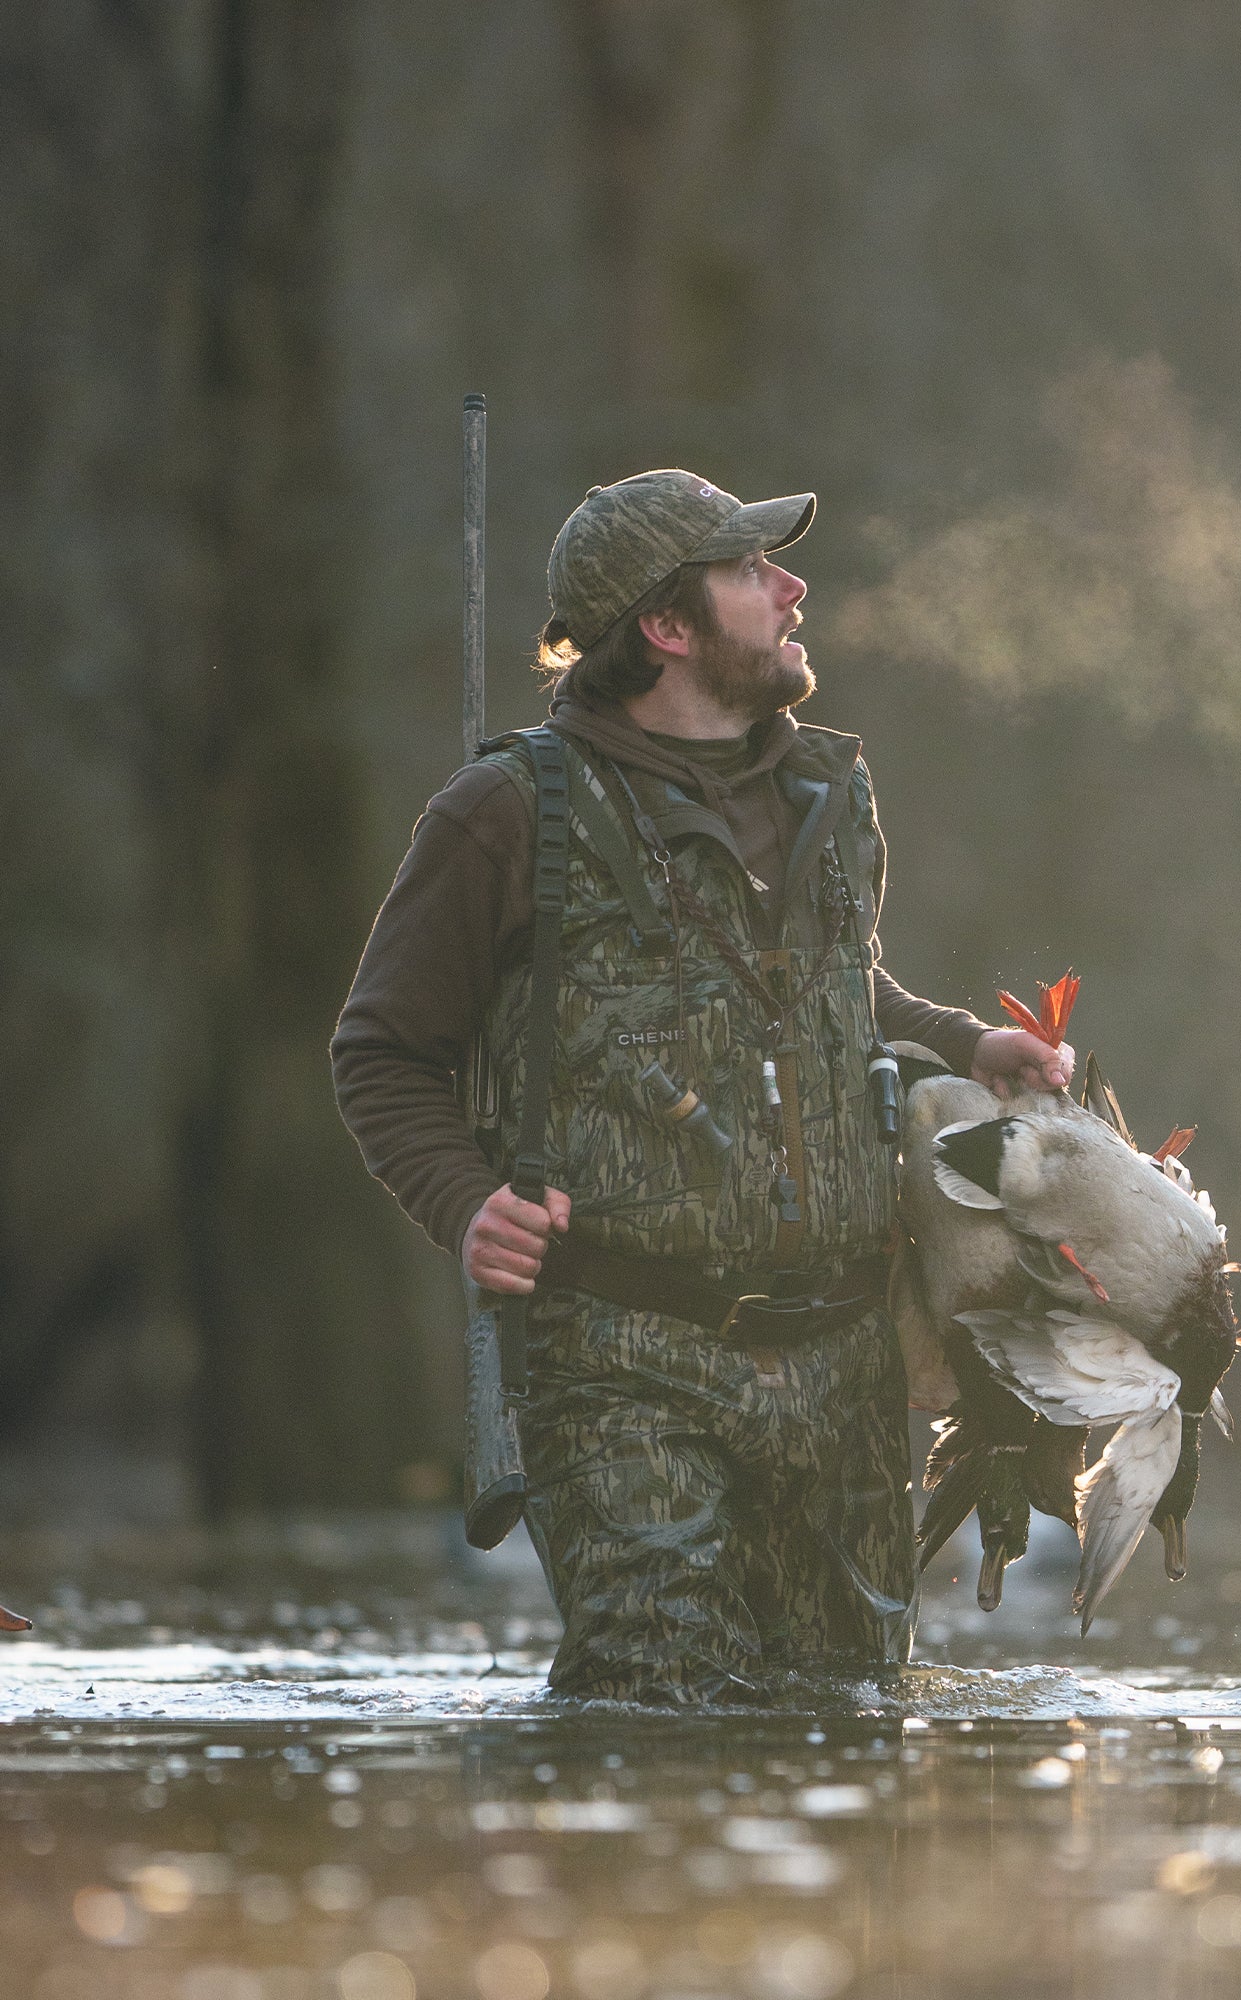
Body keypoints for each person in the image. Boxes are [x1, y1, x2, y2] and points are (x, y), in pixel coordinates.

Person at [332, 469, 1073, 1701]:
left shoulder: (833, 788)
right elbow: (381, 1052)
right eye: (749, 572)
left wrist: (958, 1039)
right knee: (659, 1714)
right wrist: (463, 1204)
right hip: (624, 1359)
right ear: (666, 628)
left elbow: (830, 990)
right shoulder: (508, 810)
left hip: (843, 1360)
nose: (791, 589)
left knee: (848, 1722)